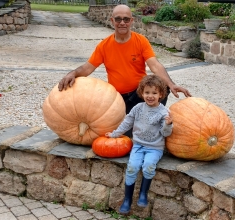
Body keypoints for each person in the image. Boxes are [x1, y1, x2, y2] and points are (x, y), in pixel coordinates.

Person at [58, 4, 192, 116]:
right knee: (125, 132)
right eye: (118, 19)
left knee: (164, 86)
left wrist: (171, 84)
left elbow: (154, 65)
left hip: (139, 94)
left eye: (126, 19)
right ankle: (138, 119)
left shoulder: (141, 41)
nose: (122, 23)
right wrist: (73, 73)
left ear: (131, 21)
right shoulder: (104, 45)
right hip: (117, 99)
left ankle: (150, 118)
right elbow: (88, 68)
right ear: (112, 21)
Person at [105, 75, 173, 214]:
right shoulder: (137, 108)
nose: (150, 96)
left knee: (148, 166)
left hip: (154, 148)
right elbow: (127, 122)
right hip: (138, 145)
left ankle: (143, 194)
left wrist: (168, 124)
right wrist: (115, 134)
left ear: (161, 94)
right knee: (132, 167)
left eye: (154, 93)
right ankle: (127, 199)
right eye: (147, 92)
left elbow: (166, 134)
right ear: (142, 93)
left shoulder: (163, 112)